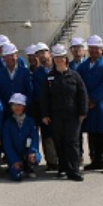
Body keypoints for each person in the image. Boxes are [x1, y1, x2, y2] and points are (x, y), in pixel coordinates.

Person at [41, 44, 89, 182]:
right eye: (56, 58)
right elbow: (44, 97)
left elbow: (82, 94)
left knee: (72, 142)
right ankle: (62, 168)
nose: (59, 60)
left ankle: (73, 170)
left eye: (61, 58)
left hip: (72, 116)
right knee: (59, 142)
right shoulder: (49, 78)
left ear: (66, 59)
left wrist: (83, 112)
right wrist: (45, 114)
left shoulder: (74, 76)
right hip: (56, 117)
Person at [79, 35, 103, 175]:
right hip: (88, 106)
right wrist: (85, 101)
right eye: (92, 48)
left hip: (102, 105)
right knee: (92, 133)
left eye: (97, 48)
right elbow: (79, 84)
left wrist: (93, 99)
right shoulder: (82, 67)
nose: (94, 51)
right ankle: (95, 159)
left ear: (102, 49)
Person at [31, 43, 58, 172]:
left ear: (49, 53)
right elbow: (37, 94)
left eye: (44, 52)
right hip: (44, 109)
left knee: (60, 134)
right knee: (47, 135)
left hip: (59, 108)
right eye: (39, 53)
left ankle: (63, 159)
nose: (42, 55)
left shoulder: (58, 69)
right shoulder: (37, 74)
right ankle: (52, 162)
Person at [2, 93, 41, 181]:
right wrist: (14, 160)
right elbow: (7, 145)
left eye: (19, 105)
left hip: (26, 152)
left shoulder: (30, 121)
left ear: (24, 107)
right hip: (14, 154)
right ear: (11, 107)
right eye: (14, 105)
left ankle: (29, 167)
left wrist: (32, 151)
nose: (17, 108)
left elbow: (35, 138)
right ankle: (16, 166)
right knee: (17, 176)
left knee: (35, 158)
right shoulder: (8, 123)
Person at [0, 43, 34, 118]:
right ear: (3, 58)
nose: (10, 58)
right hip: (6, 114)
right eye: (7, 56)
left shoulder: (25, 72)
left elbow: (29, 92)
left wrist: (22, 107)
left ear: (17, 56)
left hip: (23, 113)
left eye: (12, 55)